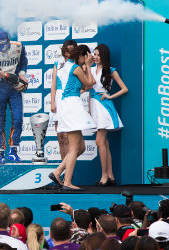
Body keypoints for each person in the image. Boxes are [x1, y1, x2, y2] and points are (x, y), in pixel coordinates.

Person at [50, 45, 96, 190]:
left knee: (80, 147)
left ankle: (57, 172)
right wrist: (88, 66)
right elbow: (90, 83)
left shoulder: (66, 67)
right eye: (86, 57)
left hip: (67, 105)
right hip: (72, 106)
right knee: (74, 148)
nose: (87, 60)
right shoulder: (75, 68)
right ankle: (67, 182)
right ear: (80, 56)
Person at [0, 31, 28, 164]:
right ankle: (0, 153)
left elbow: (23, 62)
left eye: (4, 46)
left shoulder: (18, 46)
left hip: (15, 87)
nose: (2, 49)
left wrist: (21, 74)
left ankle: (13, 152)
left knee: (18, 119)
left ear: (8, 41)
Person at [90, 44, 128, 186]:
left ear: (104, 56)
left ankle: (104, 176)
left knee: (100, 142)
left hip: (105, 108)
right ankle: (110, 176)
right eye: (94, 54)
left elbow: (124, 89)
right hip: (94, 106)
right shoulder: (90, 69)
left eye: (98, 54)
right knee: (104, 142)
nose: (95, 57)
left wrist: (110, 96)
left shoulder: (111, 71)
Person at [50, 39, 78, 162]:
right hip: (58, 100)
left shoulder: (76, 65)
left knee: (67, 137)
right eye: (67, 50)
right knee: (60, 137)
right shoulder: (58, 64)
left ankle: (68, 173)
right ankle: (62, 171)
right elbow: (53, 85)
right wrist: (52, 102)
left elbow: (84, 85)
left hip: (69, 101)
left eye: (71, 51)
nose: (69, 53)